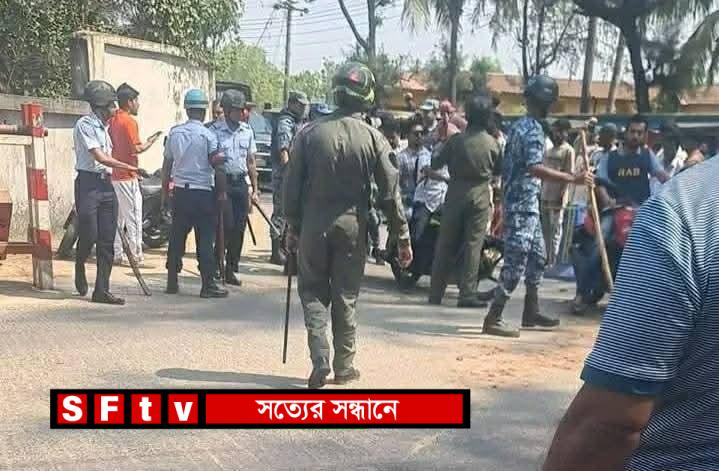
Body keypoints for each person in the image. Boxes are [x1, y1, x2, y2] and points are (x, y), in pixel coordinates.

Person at [543, 156, 719, 471]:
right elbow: (600, 184)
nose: (636, 136)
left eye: (641, 133)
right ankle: (585, 292)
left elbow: (609, 424)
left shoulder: (685, 210)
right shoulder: (612, 160)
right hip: (618, 210)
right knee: (595, 247)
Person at [283, 62, 412, 389]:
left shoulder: (308, 134)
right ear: (366, 95)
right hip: (354, 227)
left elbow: (291, 187)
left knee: (312, 291)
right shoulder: (375, 139)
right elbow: (391, 194)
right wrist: (402, 237)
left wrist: (291, 227)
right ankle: (344, 366)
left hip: (313, 225)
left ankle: (320, 359)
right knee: (345, 296)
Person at [481, 75, 592, 338]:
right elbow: (534, 168)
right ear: (546, 102)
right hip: (521, 206)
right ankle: (493, 317)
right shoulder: (532, 130)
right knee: (516, 262)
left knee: (538, 257)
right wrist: (572, 178)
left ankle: (531, 311)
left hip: (527, 203)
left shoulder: (521, 126)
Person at [428, 94, 499, 308]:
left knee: (445, 244)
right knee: (473, 246)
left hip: (455, 193)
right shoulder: (493, 143)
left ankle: (435, 293)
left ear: (467, 115)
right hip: (480, 194)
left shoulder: (456, 140)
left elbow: (436, 162)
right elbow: (499, 170)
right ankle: (467, 294)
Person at [73, 80, 139, 305]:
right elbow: (100, 157)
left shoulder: (106, 127)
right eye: (111, 105)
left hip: (106, 185)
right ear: (100, 106)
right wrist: (129, 167)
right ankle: (80, 263)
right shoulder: (85, 125)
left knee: (107, 240)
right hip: (88, 184)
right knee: (90, 233)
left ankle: (102, 290)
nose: (115, 109)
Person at [162, 89, 228, 299]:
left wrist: (165, 194)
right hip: (203, 193)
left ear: (187, 109)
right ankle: (207, 284)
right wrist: (222, 193)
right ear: (204, 111)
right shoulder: (209, 136)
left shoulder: (174, 133)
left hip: (181, 192)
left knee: (176, 237)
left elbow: (166, 165)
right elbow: (218, 167)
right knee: (205, 240)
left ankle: (172, 280)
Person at [207, 89, 259, 286]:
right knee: (225, 226)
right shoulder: (215, 131)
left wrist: (255, 189)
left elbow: (251, 161)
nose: (242, 113)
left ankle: (230, 268)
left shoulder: (247, 131)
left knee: (239, 228)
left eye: (243, 109)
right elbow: (210, 159)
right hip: (223, 183)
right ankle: (216, 265)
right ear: (228, 110)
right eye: (238, 109)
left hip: (240, 184)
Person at [108, 83, 161, 265]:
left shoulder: (112, 119)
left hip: (114, 174)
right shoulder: (129, 121)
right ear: (129, 102)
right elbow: (136, 148)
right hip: (127, 175)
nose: (138, 104)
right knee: (134, 217)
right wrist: (151, 141)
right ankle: (136, 254)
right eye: (136, 100)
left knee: (119, 218)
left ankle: (117, 253)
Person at [596, 115, 669, 209]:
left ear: (645, 135)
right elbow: (600, 184)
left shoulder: (647, 155)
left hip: (642, 211)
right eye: (632, 132)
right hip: (616, 210)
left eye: (639, 133)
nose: (635, 136)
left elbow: (664, 177)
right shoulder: (609, 157)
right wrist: (608, 202)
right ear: (626, 132)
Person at [269, 91, 309, 265]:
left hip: (294, 173)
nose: (303, 108)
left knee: (290, 212)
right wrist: (289, 173)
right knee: (280, 212)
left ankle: (284, 248)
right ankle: (275, 251)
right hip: (284, 174)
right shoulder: (285, 122)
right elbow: (283, 150)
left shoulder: (299, 122)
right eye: (300, 105)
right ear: (292, 104)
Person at [540, 118, 575, 268]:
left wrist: (562, 193)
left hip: (558, 196)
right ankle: (545, 257)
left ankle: (553, 259)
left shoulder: (568, 150)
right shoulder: (548, 150)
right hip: (545, 193)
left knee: (555, 228)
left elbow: (569, 175)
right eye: (555, 132)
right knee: (545, 229)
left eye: (559, 132)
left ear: (566, 133)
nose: (557, 135)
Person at [395, 122, 431, 220]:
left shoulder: (428, 155)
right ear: (408, 136)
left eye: (421, 133)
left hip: (426, 201)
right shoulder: (401, 158)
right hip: (407, 201)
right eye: (416, 133)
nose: (419, 136)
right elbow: (396, 183)